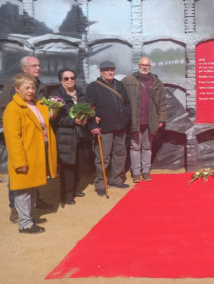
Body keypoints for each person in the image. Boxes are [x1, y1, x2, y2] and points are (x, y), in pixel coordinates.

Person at [3, 74, 57, 233]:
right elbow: (13, 139)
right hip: (25, 156)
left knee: (32, 189)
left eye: (33, 87)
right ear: (17, 89)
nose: (31, 91)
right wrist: (20, 162)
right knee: (23, 191)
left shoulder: (38, 105)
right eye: (26, 87)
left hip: (37, 154)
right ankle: (24, 224)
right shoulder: (13, 109)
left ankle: (29, 218)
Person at [0, 56, 49, 224]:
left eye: (39, 65)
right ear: (24, 69)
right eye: (34, 65)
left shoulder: (40, 85)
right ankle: (16, 209)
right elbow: (4, 110)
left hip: (36, 140)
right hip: (20, 140)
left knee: (33, 176)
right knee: (19, 177)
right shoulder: (11, 87)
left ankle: (30, 208)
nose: (38, 68)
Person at [86, 61, 131, 196]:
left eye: (112, 70)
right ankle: (100, 183)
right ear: (101, 72)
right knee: (103, 157)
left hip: (120, 127)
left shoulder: (120, 85)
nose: (110, 72)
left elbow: (127, 104)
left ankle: (116, 179)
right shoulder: (93, 87)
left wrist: (126, 118)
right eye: (107, 70)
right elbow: (88, 107)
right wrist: (92, 124)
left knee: (120, 154)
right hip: (104, 127)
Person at [50, 69, 92, 205]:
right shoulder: (56, 96)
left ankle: (74, 189)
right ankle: (66, 195)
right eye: (66, 78)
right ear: (61, 80)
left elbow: (88, 109)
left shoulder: (80, 93)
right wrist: (73, 121)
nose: (69, 80)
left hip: (80, 135)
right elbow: (56, 119)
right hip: (65, 136)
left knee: (79, 164)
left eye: (72, 78)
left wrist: (87, 117)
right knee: (67, 166)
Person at [122, 57, 167, 183]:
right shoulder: (128, 80)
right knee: (135, 147)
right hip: (135, 121)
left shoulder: (157, 82)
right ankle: (136, 172)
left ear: (150, 67)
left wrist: (161, 119)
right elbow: (120, 99)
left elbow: (162, 102)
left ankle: (146, 171)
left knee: (147, 147)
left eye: (147, 65)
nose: (145, 67)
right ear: (138, 65)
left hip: (151, 120)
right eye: (142, 64)